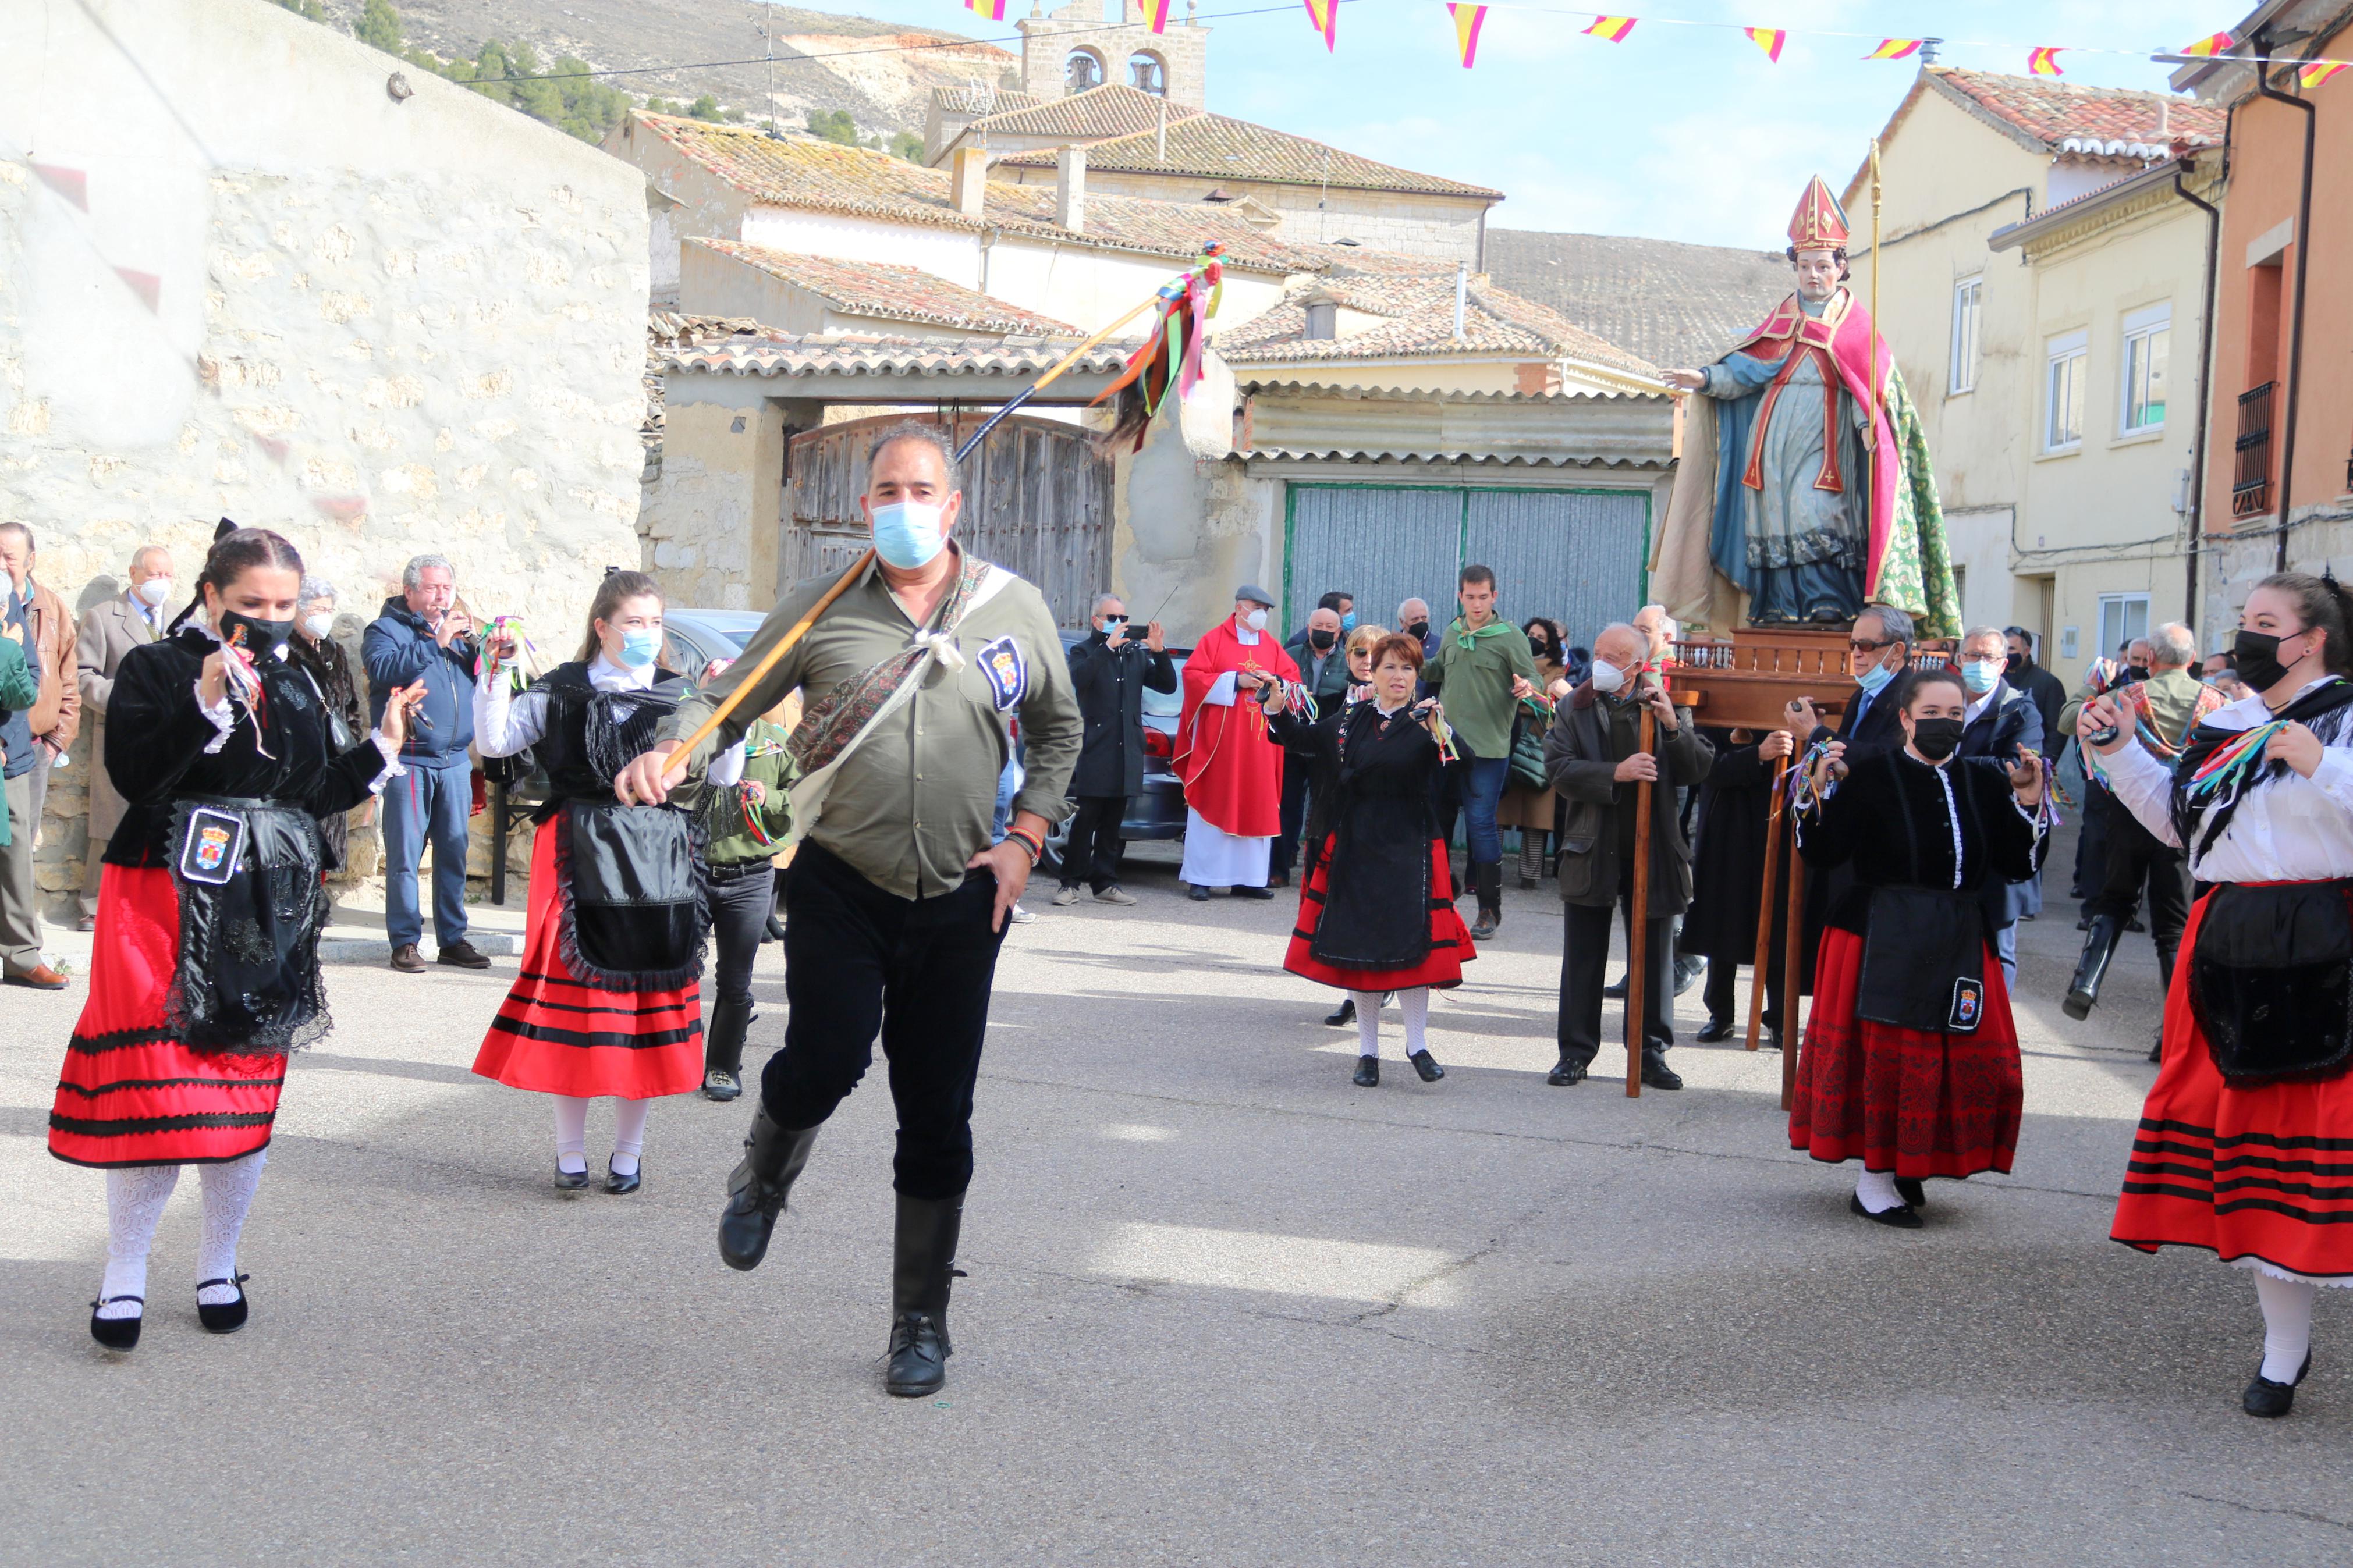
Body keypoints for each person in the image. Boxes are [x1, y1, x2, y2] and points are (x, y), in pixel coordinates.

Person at [619, 420, 1080, 1400]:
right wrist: (670, 750)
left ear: (951, 508)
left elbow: (1059, 726)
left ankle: (920, 1321)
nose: (901, 508)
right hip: (840, 881)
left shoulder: (1011, 608)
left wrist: (1025, 839)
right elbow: (723, 702)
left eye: (920, 491)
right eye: (884, 493)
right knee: (824, 1059)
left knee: (937, 1112)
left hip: (961, 897)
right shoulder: (823, 607)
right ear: (865, 507)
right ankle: (764, 1175)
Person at [49, 527, 423, 1350]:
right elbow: (137, 777)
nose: (270, 618)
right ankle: (124, 1271)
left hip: (265, 898)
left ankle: (218, 1262)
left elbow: (313, 787)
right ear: (212, 597)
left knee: (240, 1081)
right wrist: (206, 703)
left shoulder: (297, 678)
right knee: (160, 1082)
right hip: (161, 890)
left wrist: (381, 750)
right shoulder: (158, 666)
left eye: (284, 605)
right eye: (251, 603)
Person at [2092, 573, 2353, 1418]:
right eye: (2243, 621)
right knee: (2259, 1154)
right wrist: (2118, 749)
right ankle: (2281, 1354)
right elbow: (2181, 827)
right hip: (2230, 943)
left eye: (2263, 623)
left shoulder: (2342, 718)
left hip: (2330, 943)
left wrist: (2314, 758)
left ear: (2309, 639)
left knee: (2328, 1149)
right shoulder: (2227, 722)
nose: (2242, 636)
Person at [469, 572, 714, 1193]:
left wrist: (717, 711)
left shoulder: (682, 694)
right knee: (576, 1002)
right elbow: (495, 741)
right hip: (573, 852)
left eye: (654, 622)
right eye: (633, 621)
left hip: (656, 854)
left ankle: (629, 1154)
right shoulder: (561, 689)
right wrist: (495, 674)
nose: (645, 633)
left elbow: (724, 771)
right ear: (601, 627)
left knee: (643, 1002)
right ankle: (569, 1153)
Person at [1788, 666, 2046, 1228]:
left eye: (1954, 715)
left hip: (1956, 933)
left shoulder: (1982, 781)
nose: (1944, 724)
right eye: (1930, 714)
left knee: (1946, 1059)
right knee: (1887, 1061)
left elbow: (2016, 863)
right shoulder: (1872, 775)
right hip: (1880, 934)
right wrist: (1817, 794)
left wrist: (2028, 804)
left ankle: (1910, 1164)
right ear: (1904, 718)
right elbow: (1824, 854)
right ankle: (1874, 1180)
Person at [1658, 177, 1939, 627]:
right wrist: (1707, 378)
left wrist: (1869, 426)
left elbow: (1863, 387)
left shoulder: (1855, 327)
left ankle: (1828, 600)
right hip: (1771, 436)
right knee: (1776, 516)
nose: (1812, 275)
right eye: (1805, 266)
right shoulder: (1782, 319)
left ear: (1840, 267)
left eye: (1822, 266)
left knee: (1818, 507)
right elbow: (1750, 371)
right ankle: (1779, 604)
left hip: (1825, 434)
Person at [1262, 632, 1473, 1087]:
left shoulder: (1425, 720)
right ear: (1372, 673)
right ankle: (1367, 1053)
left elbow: (1461, 766)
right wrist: (1276, 706)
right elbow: (1300, 739)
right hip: (1356, 844)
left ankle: (1416, 1044)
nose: (1399, 677)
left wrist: (1443, 731)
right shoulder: (1351, 717)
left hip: (1410, 845)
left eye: (1408, 669)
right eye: (1390, 668)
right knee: (1361, 953)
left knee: (1414, 949)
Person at [1544, 621, 1713, 1090]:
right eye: (1598, 651)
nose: (1600, 662)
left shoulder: (1663, 704)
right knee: (1583, 954)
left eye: (1613, 657)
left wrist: (1672, 728)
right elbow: (1558, 768)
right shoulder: (1573, 705)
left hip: (1652, 848)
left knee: (1654, 956)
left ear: (1637, 666)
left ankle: (1649, 1052)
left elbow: (1696, 768)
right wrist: (1614, 772)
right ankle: (1574, 1053)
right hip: (1591, 847)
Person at [2061, 622, 2226, 1058]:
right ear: (2190, 660)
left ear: (2149, 659)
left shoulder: (2125, 698)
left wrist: (2086, 692)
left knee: (2114, 901)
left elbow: (2067, 720)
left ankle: (2086, 981)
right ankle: (2171, 1033)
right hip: (2182, 818)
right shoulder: (2217, 703)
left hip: (2128, 812)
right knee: (2172, 928)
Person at [363, 554, 489, 975]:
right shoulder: (386, 630)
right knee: (405, 855)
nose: (442, 596)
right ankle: (406, 941)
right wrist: (433, 642)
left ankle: (452, 939)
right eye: (433, 588)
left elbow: (485, 682)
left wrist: (491, 652)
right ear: (410, 591)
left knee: (454, 851)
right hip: (411, 761)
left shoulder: (460, 636)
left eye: (447, 588)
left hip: (454, 761)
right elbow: (383, 670)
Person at [688, 657, 798, 1102]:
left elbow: (804, 799)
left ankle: (722, 1066)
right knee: (677, 972)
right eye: (715, 684)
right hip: (689, 871)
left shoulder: (774, 745)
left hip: (750, 877)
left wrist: (768, 795)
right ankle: (671, 1060)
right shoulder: (685, 741)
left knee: (735, 979)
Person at [1424, 565, 1541, 941]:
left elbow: (1535, 681)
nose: (1476, 604)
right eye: (1469, 597)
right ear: (1460, 596)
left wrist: (1527, 686)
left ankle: (1489, 909)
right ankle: (1441, 891)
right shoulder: (1452, 631)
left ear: (1495, 597)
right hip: (1443, 743)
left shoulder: (1510, 637)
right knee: (1434, 820)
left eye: (1483, 597)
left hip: (1488, 750)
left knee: (1479, 824)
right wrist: (1403, 658)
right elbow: (1436, 670)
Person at [1175, 585, 1299, 901]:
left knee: (1256, 803)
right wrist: (1235, 680)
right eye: (1257, 608)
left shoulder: (1271, 645)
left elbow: (1293, 679)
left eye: (1266, 610)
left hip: (1260, 745)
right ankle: (1202, 878)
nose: (1262, 615)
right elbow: (1192, 677)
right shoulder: (1214, 640)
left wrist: (1276, 682)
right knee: (1214, 800)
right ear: (1240, 607)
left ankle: (1249, 878)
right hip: (1221, 745)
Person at [76, 545, 176, 933]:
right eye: (153, 574)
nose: (161, 583)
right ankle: (93, 904)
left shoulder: (183, 620)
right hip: (123, 735)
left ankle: (152, 903)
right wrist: (128, 699)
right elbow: (84, 678)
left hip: (170, 740)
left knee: (165, 821)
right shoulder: (102, 618)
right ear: (133, 573)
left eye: (167, 575)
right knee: (112, 821)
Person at [1681, 724, 1796, 1044]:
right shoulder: (1720, 711)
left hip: (1781, 823)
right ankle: (1721, 1013)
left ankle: (1780, 1016)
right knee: (1724, 916)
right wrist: (1757, 754)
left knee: (1777, 919)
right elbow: (1705, 767)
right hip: (1727, 826)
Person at [0, 522, 79, 989]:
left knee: (14, 857)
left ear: (29, 559)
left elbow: (31, 679)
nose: (0, 564)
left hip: (15, 754)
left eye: (8, 555)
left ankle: (21, 955)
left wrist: (53, 742)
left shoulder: (19, 605)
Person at [1058, 594, 1174, 906]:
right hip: (1097, 748)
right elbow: (1080, 679)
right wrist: (1107, 647)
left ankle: (1105, 882)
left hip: (1127, 748)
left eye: (1123, 618)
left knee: (1113, 823)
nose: (1120, 625)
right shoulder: (1085, 651)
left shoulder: (1134, 653)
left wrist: (1159, 652)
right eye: (1112, 619)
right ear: (1096, 621)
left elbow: (1167, 686)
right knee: (1086, 821)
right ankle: (1069, 883)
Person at [1952, 625, 2045, 988]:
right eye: (1972, 655)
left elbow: (2016, 769)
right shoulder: (1945, 701)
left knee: (1997, 949)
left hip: (1997, 846)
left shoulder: (2020, 710)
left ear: (2003, 664)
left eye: (1988, 657)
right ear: (1960, 660)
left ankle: (1994, 1036)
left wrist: (1949, 764)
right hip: (1952, 840)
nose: (1979, 663)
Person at [1309, 623, 1389, 1030]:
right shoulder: (1327, 698)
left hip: (1375, 823)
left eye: (1375, 655)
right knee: (1332, 907)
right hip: (1329, 812)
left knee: (1368, 910)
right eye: (1358, 653)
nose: (1365, 661)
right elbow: (1306, 744)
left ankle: (1370, 991)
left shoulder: (1397, 705)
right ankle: (1352, 993)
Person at [285, 576, 370, 877]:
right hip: (302, 762)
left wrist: (352, 738)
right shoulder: (284, 651)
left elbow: (351, 706)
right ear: (298, 609)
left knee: (327, 845)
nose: (324, 616)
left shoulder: (335, 652)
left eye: (329, 609)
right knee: (300, 841)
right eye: (318, 608)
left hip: (334, 760)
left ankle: (321, 895)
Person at [2060, 641, 2145, 921]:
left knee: (2130, 846)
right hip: (2103, 778)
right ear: (2123, 660)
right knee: (2097, 840)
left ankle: (2122, 909)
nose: (2140, 666)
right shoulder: (2108, 688)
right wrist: (2094, 686)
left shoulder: (2152, 693)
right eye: (2134, 659)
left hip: (2140, 780)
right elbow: (2069, 720)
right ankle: (2093, 908)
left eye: (2145, 660)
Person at [1271, 602, 1349, 888]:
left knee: (1322, 808)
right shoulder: (1289, 655)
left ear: (1339, 631)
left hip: (1326, 746)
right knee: (1287, 807)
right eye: (1319, 627)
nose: (1324, 632)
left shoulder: (1347, 661)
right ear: (1309, 628)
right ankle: (1279, 868)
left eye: (1330, 628)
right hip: (1293, 742)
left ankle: (1320, 870)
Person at [1502, 617, 1569, 890]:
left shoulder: (1557, 670)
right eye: (1530, 634)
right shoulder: (1512, 663)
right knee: (1500, 808)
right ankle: (1491, 868)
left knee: (1536, 816)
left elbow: (1555, 705)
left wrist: (1527, 697)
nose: (1534, 639)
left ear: (1550, 643)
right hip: (1510, 738)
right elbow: (1503, 697)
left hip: (1541, 746)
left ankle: (1530, 874)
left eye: (1541, 637)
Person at [2003, 628, 2067, 758]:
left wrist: (2045, 764)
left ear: (2026, 651)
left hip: (2032, 759)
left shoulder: (2048, 683)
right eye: (2003, 650)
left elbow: (2057, 731)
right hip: (1999, 760)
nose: (2006, 654)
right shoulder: (1996, 679)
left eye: (2011, 649)